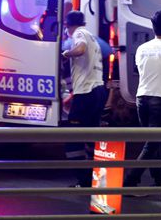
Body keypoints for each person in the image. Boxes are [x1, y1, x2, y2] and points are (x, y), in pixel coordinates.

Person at [124, 10, 161, 188]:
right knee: (152, 143)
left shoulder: (141, 49)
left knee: (152, 141)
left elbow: (142, 72)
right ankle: (130, 181)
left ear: (153, 27)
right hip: (160, 99)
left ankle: (160, 180)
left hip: (141, 99)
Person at [62, 10, 108, 188]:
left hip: (87, 94)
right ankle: (93, 179)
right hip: (97, 91)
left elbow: (80, 50)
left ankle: (83, 179)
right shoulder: (93, 38)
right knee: (90, 137)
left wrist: (67, 54)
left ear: (68, 26)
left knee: (73, 138)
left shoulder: (79, 34)